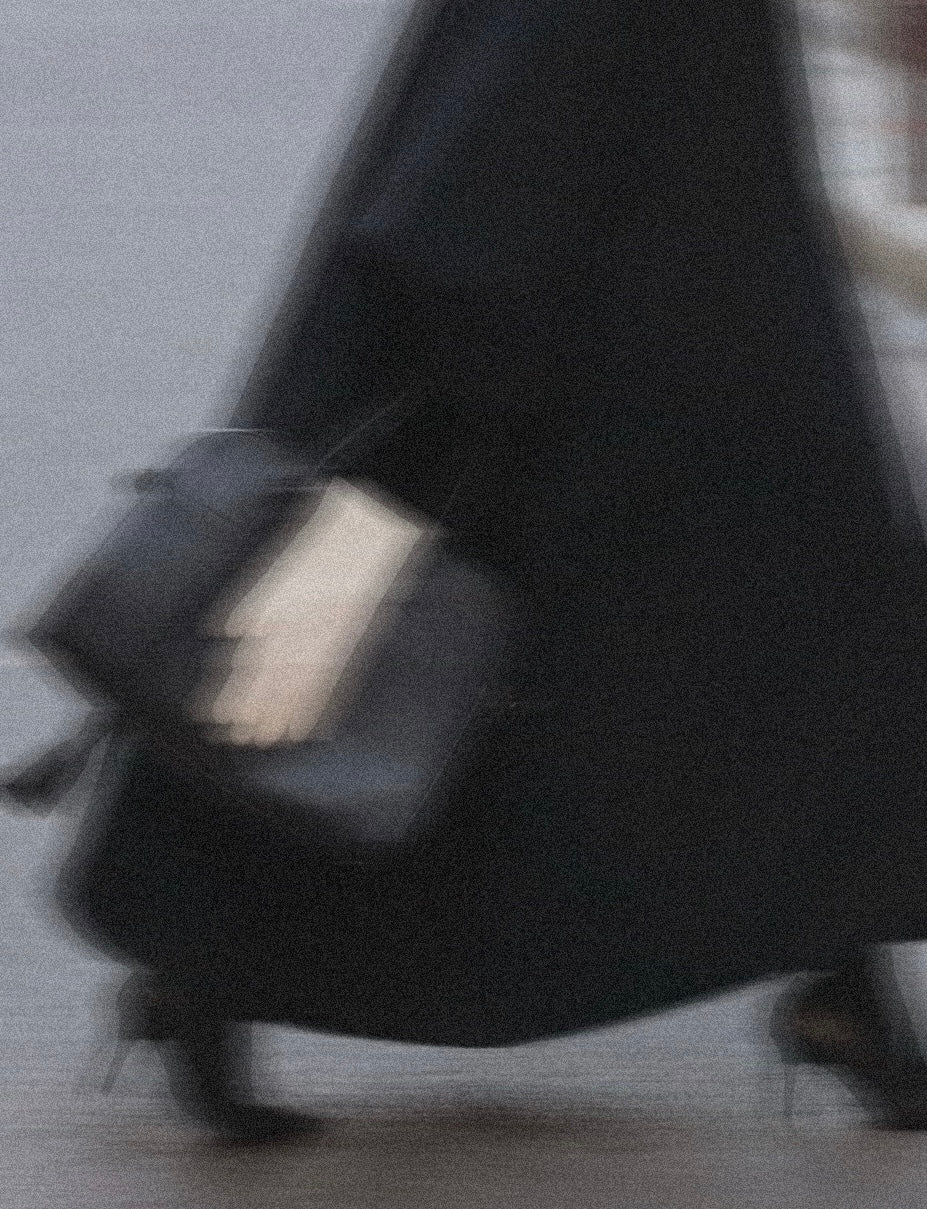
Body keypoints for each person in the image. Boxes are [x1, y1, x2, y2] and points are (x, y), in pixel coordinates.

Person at [43, 0, 927, 1142]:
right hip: (579, 331)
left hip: (680, 318)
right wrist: (444, 382)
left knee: (803, 647)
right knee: (400, 683)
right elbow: (486, 160)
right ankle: (201, 968)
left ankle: (843, 987)